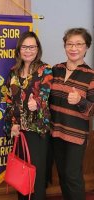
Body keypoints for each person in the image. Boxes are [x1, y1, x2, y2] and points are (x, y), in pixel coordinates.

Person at [3, 31, 53, 200]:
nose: (28, 50)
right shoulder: (13, 72)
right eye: (24, 47)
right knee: (21, 175)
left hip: (37, 131)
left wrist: (36, 103)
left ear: (37, 49)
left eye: (32, 47)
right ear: (19, 50)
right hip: (20, 131)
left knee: (36, 178)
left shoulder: (45, 70)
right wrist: (13, 123)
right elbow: (10, 101)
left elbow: (45, 96)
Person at [50, 28, 93, 200]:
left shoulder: (90, 75)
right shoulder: (55, 69)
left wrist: (80, 101)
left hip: (76, 135)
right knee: (62, 175)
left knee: (72, 176)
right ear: (65, 46)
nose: (73, 48)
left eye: (78, 44)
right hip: (55, 132)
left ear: (86, 47)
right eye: (69, 44)